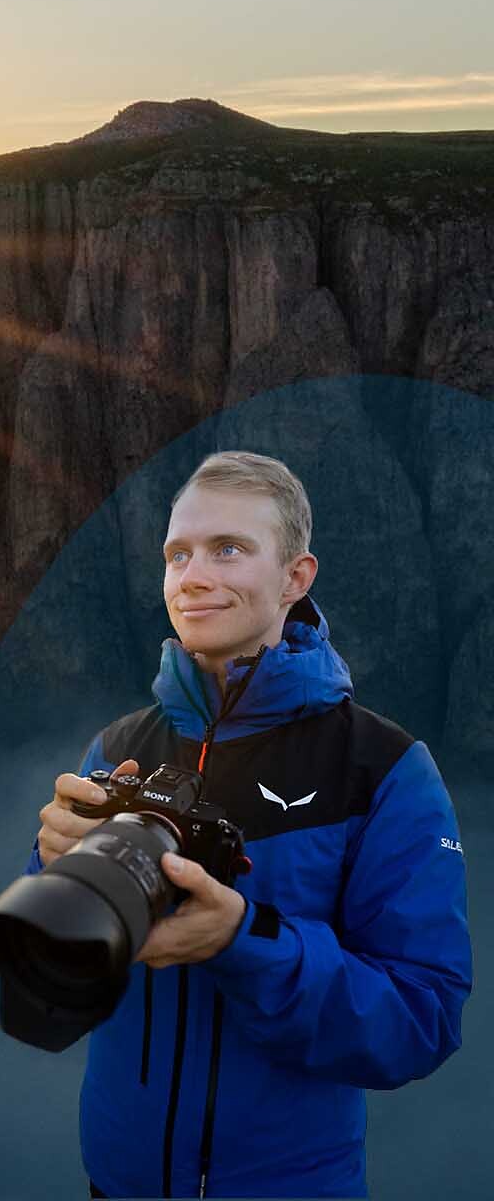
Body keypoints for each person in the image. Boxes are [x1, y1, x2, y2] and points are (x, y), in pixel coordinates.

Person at [27, 450, 471, 1198]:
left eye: (228, 549)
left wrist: (244, 942)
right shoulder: (118, 750)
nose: (192, 575)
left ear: (297, 578)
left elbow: (421, 1019)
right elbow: (50, 996)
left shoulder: (384, 768)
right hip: (115, 1182)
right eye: (177, 554)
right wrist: (52, 874)